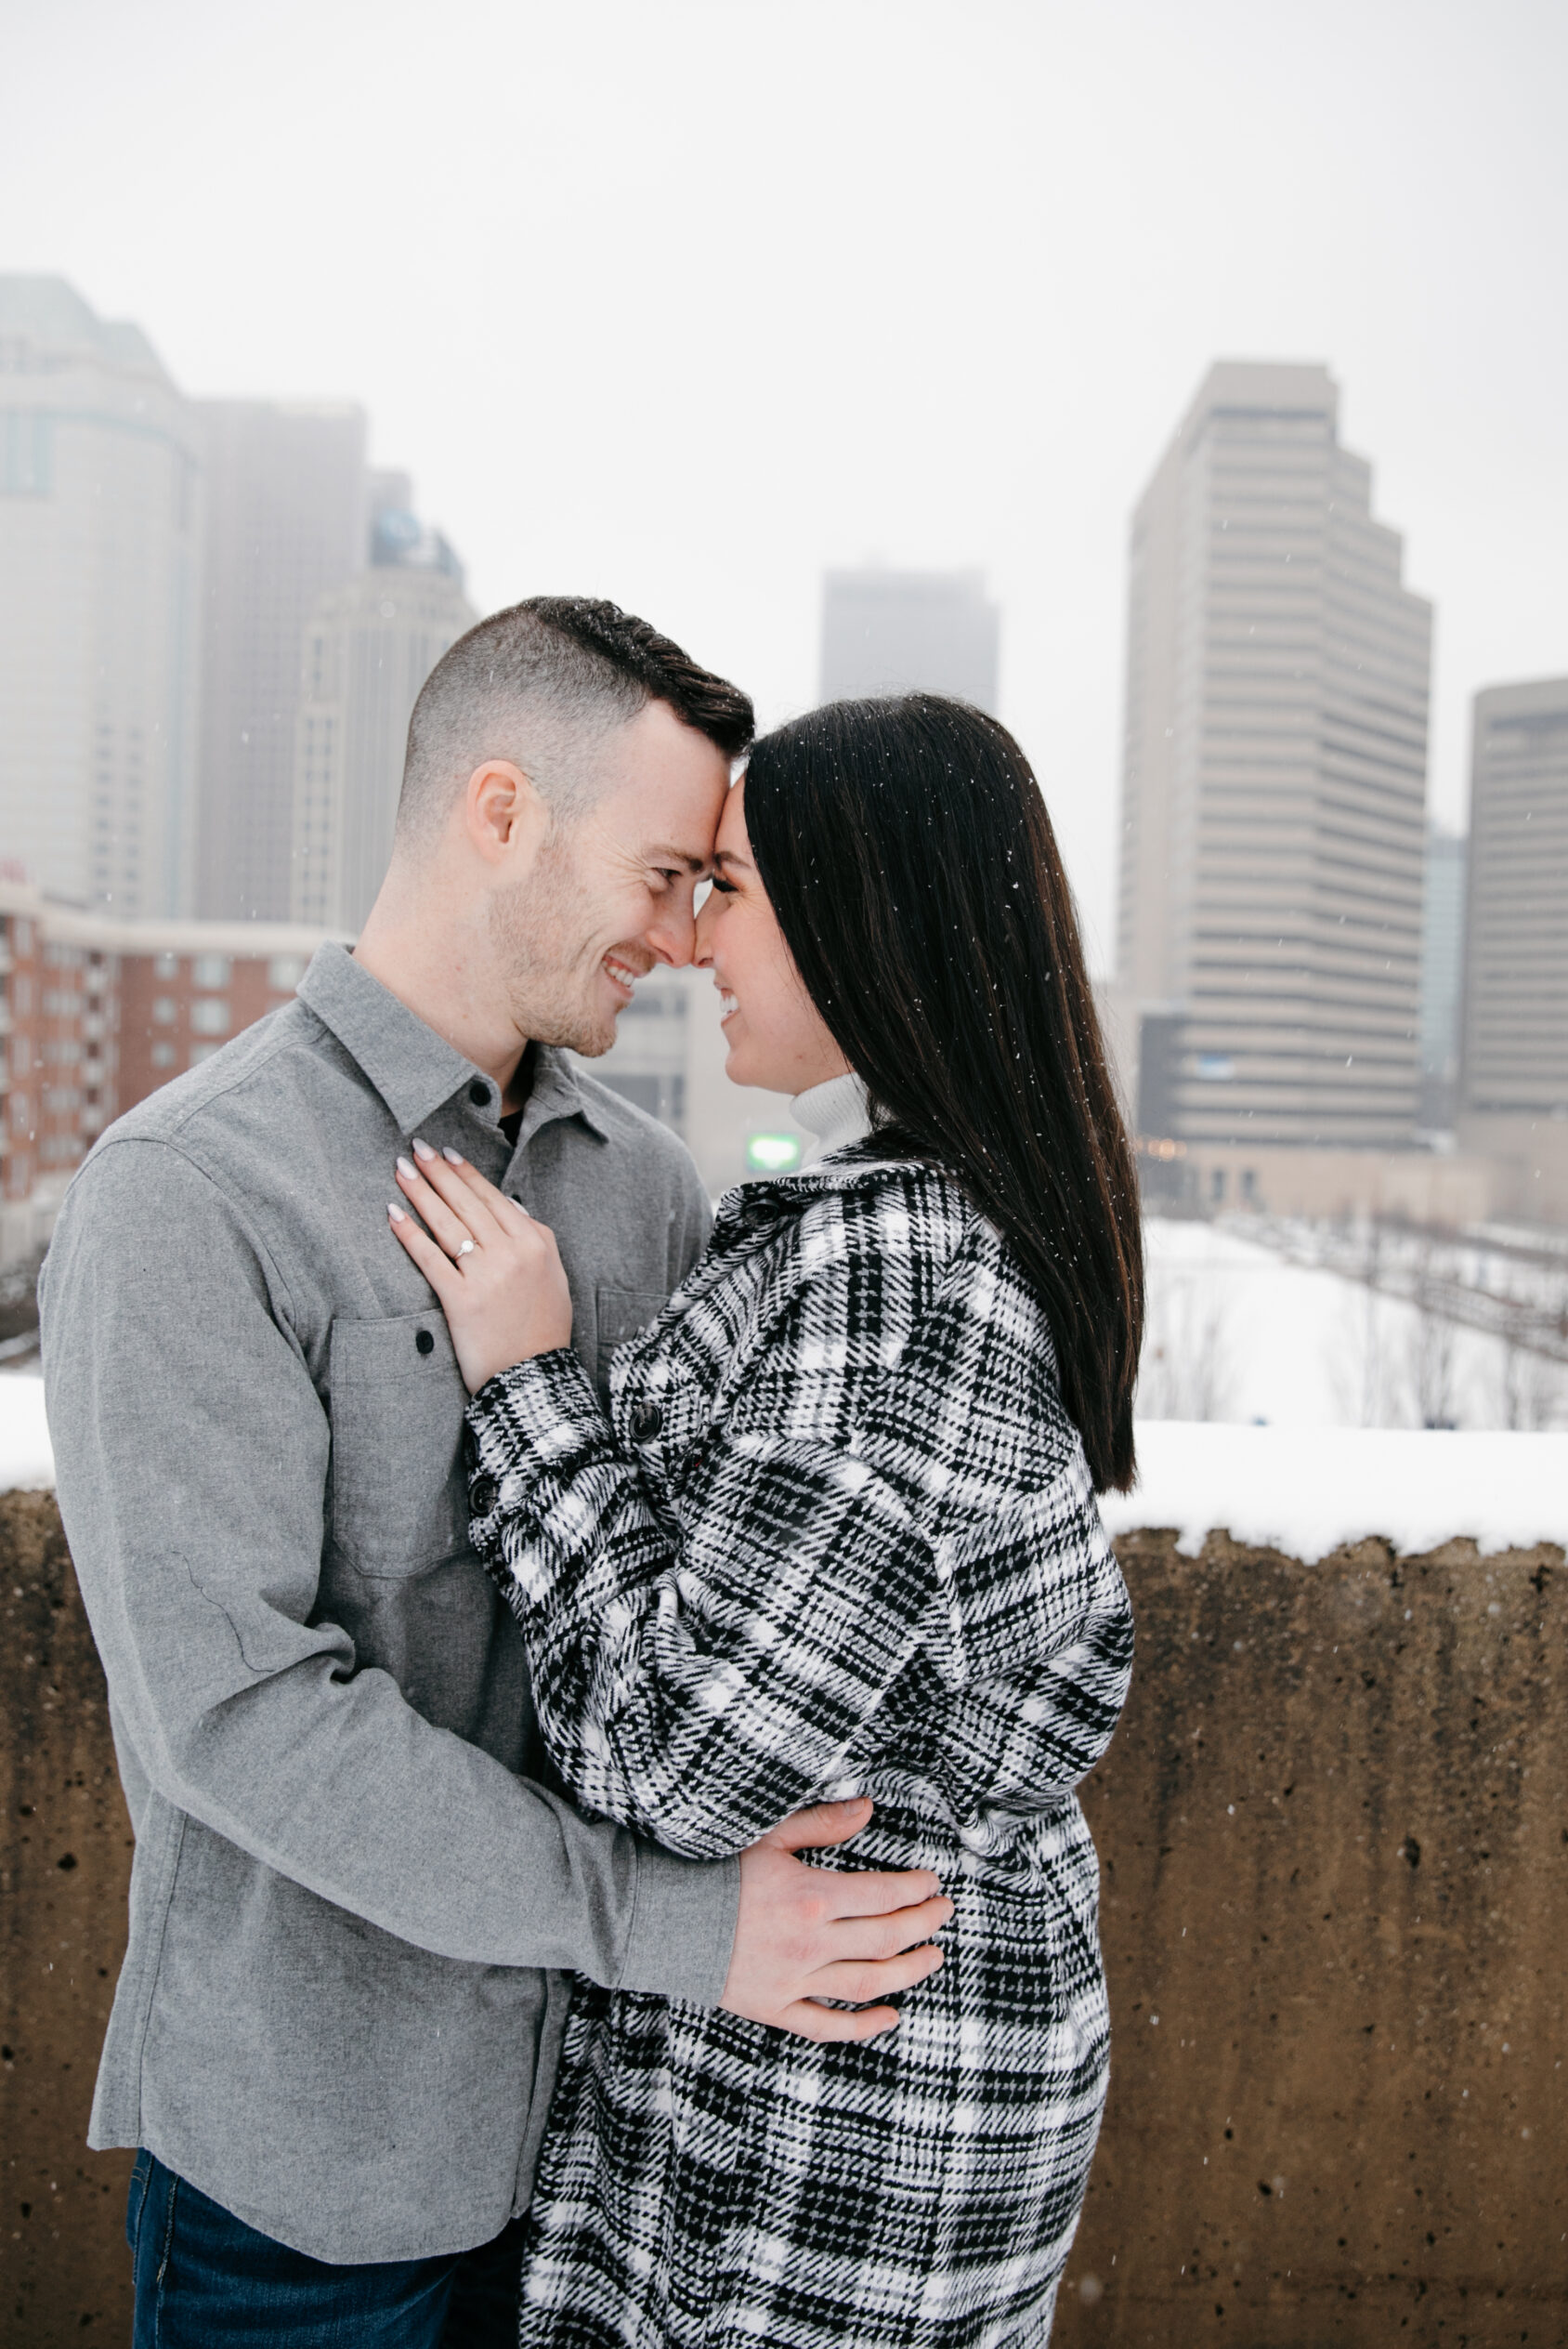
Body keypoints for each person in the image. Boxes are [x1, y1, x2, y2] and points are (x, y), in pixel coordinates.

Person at [38, 604, 953, 2349]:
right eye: (666, 873)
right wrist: (666, 1923)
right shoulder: (187, 1195)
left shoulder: (655, 1195)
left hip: (617, 2171)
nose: (688, 937)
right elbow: (236, 1716)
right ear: (503, 810)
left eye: (711, 889)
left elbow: (698, 1621)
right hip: (320, 2190)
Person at [388, 693, 1143, 2349]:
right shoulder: (956, 1221)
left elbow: (685, 1757)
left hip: (825, 2126)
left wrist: (522, 1383)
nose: (683, 937)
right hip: (887, 2070)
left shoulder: (894, 1278)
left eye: (726, 886)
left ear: (861, 916)